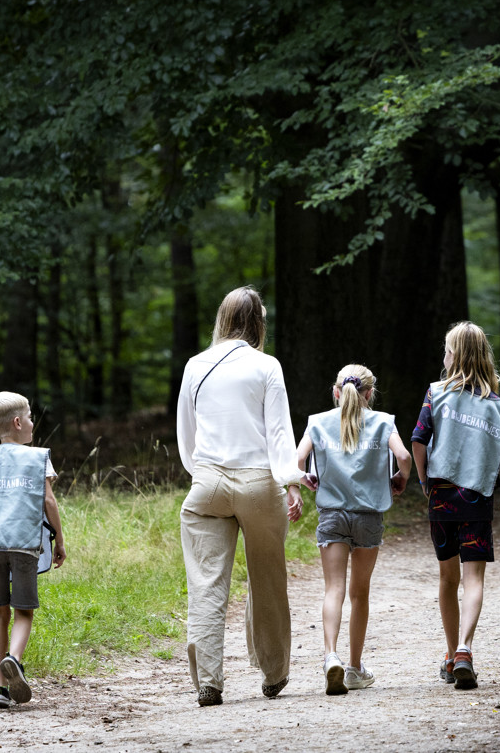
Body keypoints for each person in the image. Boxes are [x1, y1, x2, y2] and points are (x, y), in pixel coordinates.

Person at [176, 286, 306, 707]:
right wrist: (290, 480)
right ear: (258, 323)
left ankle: (208, 681)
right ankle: (273, 673)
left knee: (206, 584)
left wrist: (202, 473)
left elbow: (186, 432)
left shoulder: (195, 365)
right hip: (259, 483)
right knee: (268, 580)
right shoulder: (267, 365)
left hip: (208, 483)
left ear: (223, 318)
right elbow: (279, 431)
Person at [411, 322, 500, 691]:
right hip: (476, 501)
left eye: (446, 350)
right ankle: (464, 649)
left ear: (455, 355)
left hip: (442, 500)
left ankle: (450, 655)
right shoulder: (495, 406)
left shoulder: (436, 393)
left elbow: (418, 441)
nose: (443, 356)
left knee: (448, 578)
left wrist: (425, 481)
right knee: (473, 578)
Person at [294, 364, 412, 695]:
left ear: (336, 392)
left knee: (334, 589)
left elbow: (298, 459)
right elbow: (404, 456)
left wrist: (303, 479)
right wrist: (401, 477)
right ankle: (355, 668)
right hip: (368, 517)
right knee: (359, 594)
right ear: (369, 394)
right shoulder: (383, 422)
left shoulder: (318, 423)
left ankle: (330, 656)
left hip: (332, 514)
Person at [0, 392, 67, 709]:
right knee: (23, 612)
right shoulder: (38, 458)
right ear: (18, 422)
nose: (33, 422)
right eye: (31, 417)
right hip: (24, 547)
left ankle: (0, 688)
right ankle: (15, 659)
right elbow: (48, 501)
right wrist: (60, 541)